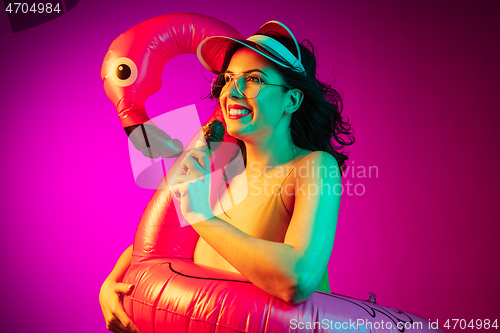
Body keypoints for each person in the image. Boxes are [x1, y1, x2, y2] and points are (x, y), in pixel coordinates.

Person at [99, 21, 354, 333]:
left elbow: (297, 279)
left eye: (254, 79)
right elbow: (164, 244)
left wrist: (199, 216)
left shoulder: (313, 167)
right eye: (229, 78)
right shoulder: (223, 175)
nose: (231, 91)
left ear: (291, 100)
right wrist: (113, 281)